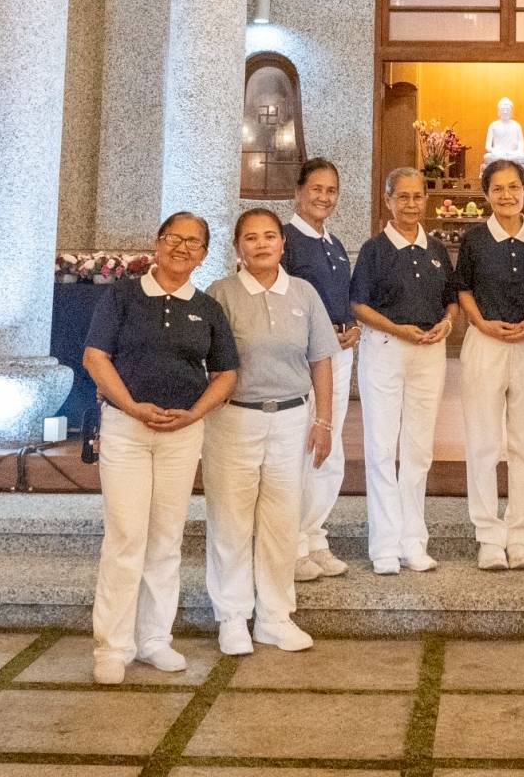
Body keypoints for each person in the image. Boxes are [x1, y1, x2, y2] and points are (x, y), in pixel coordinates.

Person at [82, 211, 239, 682]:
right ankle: (112, 646)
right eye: (174, 238)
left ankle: (154, 639)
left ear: (204, 255)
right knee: (126, 536)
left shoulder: (207, 308)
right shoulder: (123, 295)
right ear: (157, 242)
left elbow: (226, 373)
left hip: (182, 434)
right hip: (126, 429)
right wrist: (131, 406)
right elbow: (95, 357)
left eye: (193, 242)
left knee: (167, 539)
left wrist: (195, 414)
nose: (182, 248)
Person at [204, 208, 339, 657]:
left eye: (269, 236)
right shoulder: (221, 293)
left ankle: (275, 617)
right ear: (237, 247)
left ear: (283, 244)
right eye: (251, 238)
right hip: (233, 417)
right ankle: (232, 617)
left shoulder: (303, 292)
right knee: (231, 519)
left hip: (291, 419)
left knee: (281, 522)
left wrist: (323, 421)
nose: (261, 244)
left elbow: (321, 359)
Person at [351, 166, 457, 574]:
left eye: (417, 197)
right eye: (403, 197)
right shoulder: (375, 250)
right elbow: (358, 304)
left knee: (418, 449)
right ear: (388, 201)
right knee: (382, 447)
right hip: (386, 349)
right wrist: (397, 329)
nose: (411, 204)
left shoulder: (435, 249)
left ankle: (414, 541)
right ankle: (384, 545)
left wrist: (448, 323)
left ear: (425, 200)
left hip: (429, 353)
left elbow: (450, 298)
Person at [454, 158, 524, 569]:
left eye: (513, 187)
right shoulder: (474, 240)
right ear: (486, 195)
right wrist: (481, 323)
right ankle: (489, 536)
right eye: (498, 189)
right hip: (485, 345)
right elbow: (463, 289)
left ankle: (519, 535)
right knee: (483, 442)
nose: (507, 195)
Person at [282, 158, 357, 581]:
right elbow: (281, 303)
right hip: (305, 359)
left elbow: (340, 300)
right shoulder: (286, 241)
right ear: (298, 192)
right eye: (317, 189)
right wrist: (321, 333)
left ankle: (314, 535)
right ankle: (291, 543)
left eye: (331, 191)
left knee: (329, 446)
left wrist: (352, 327)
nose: (324, 197)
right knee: (303, 444)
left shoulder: (334, 243)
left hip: (339, 356)